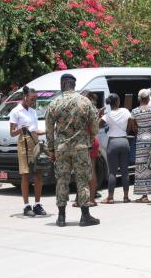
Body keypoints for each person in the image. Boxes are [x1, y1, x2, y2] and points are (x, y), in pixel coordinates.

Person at [46, 74, 99, 227]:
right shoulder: (84, 101)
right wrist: (91, 139)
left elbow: (49, 128)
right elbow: (94, 123)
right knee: (82, 180)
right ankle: (85, 216)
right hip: (80, 147)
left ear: (63, 84)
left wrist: (51, 149)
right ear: (74, 85)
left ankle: (61, 217)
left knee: (62, 180)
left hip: (61, 148)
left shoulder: (55, 102)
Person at [9, 85, 47, 217]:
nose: (34, 102)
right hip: (23, 142)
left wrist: (47, 131)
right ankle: (26, 206)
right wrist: (21, 129)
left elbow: (34, 130)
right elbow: (12, 133)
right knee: (25, 174)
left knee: (38, 174)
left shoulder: (33, 111)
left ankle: (37, 204)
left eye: (35, 99)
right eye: (32, 99)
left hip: (34, 141)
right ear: (25, 97)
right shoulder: (16, 111)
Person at [99, 93, 131, 204]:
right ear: (118, 102)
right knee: (125, 172)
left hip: (112, 142)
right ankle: (126, 197)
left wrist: (99, 115)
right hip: (124, 141)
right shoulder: (126, 111)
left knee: (112, 172)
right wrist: (126, 132)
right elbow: (131, 123)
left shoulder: (107, 115)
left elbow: (98, 125)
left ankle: (110, 198)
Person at [131, 89, 151, 203]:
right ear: (148, 98)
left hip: (141, 141)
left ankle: (144, 195)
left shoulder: (134, 112)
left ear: (139, 99)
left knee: (141, 168)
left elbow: (133, 127)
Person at [73, 91, 101, 208]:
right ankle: (91, 199)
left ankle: (86, 199)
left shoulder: (83, 108)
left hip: (86, 141)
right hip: (93, 139)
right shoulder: (93, 109)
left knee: (84, 171)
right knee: (91, 170)